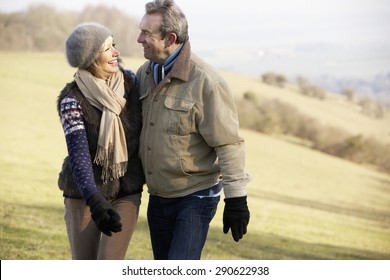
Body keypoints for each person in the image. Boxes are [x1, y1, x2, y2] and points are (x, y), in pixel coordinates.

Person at [136, 0, 251, 260]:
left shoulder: (207, 83)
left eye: (146, 33)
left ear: (170, 38)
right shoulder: (144, 73)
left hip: (194, 197)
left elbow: (229, 144)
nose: (138, 38)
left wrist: (236, 199)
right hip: (157, 196)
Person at [57, 22, 145, 260]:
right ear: (91, 57)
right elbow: (79, 154)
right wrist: (94, 200)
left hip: (126, 192)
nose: (117, 52)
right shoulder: (71, 99)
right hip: (85, 196)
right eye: (108, 48)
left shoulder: (131, 84)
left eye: (114, 45)